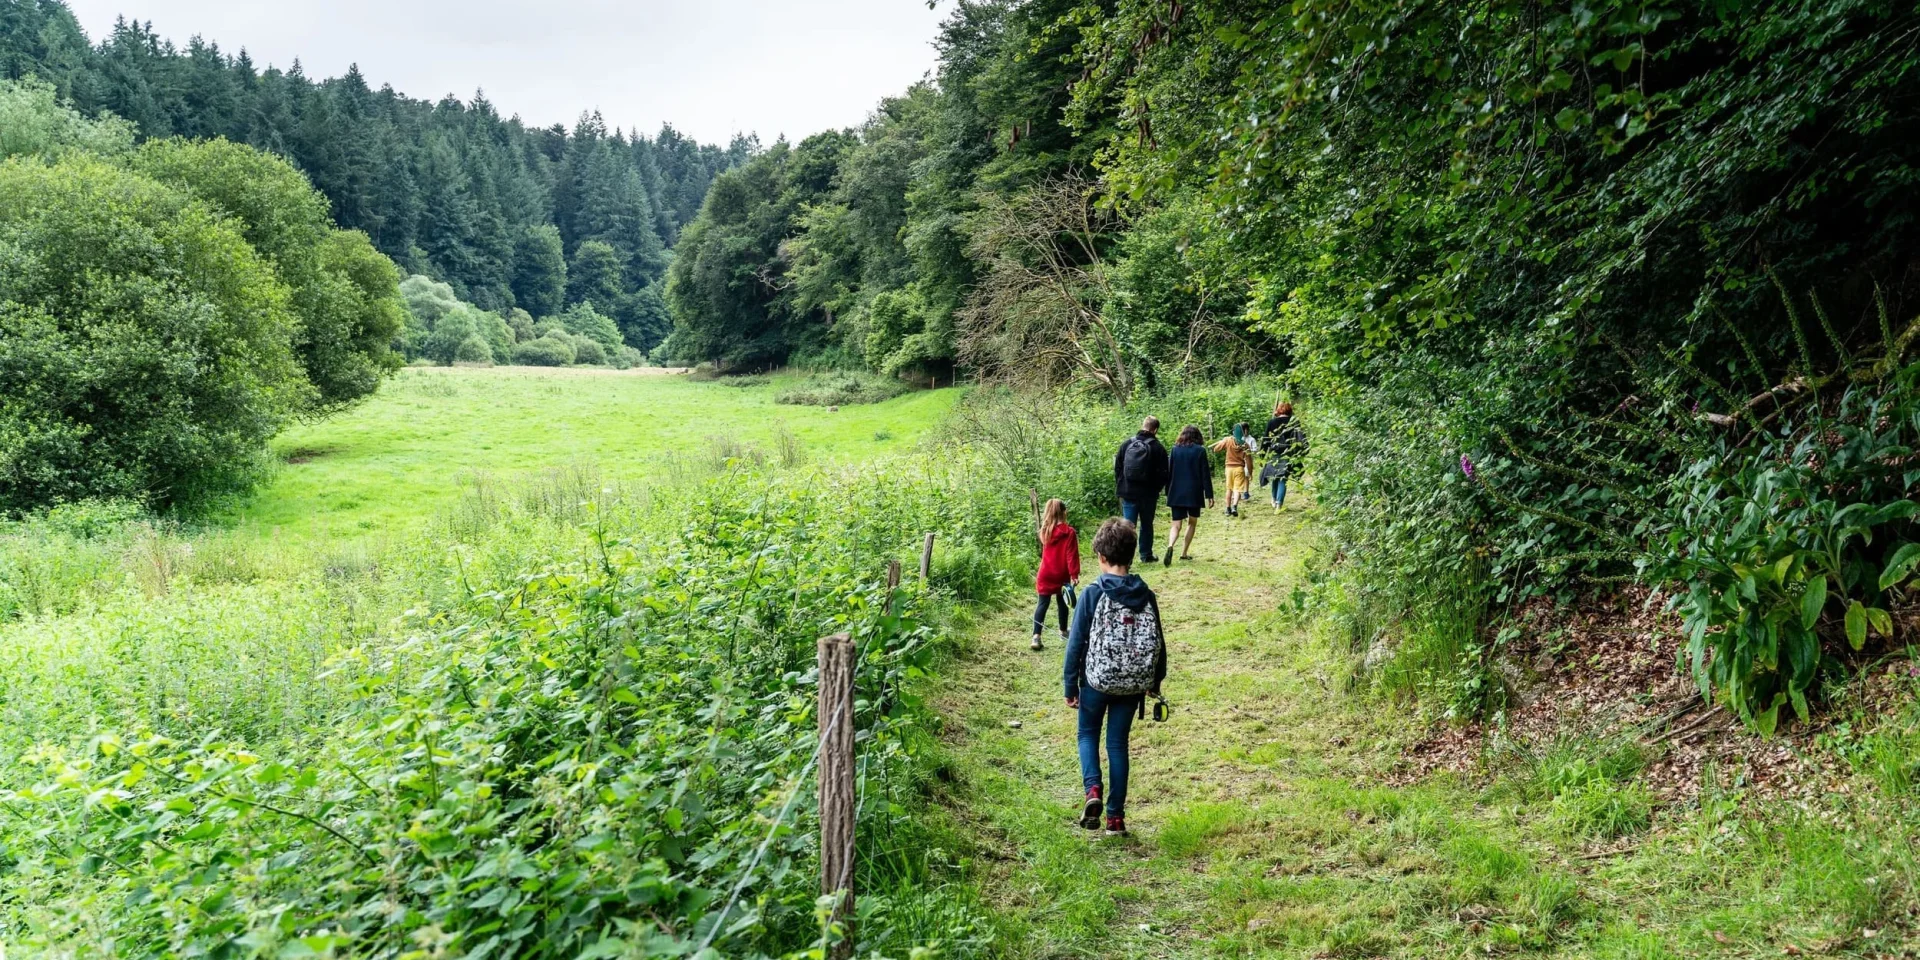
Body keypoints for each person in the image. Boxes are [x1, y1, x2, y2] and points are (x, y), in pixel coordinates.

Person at [1063, 518, 1167, 837]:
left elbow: (1076, 642)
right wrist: (1154, 682)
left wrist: (1070, 685)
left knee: (1087, 735)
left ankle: (1092, 790)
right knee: (1118, 744)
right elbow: (1158, 642)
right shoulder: (1145, 594)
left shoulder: (1093, 593)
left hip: (1095, 681)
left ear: (1102, 558)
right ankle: (1115, 819)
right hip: (1132, 684)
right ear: (1131, 554)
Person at [1113, 417, 1169, 563]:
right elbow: (1164, 473)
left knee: (1127, 527)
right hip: (1148, 495)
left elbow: (1118, 467)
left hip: (1128, 493)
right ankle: (1146, 555)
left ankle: (1126, 559)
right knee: (1146, 524)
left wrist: (1122, 485)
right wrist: (1156, 489)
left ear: (1143, 426)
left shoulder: (1127, 444)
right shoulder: (1158, 448)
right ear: (1155, 430)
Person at [1031, 498, 1081, 651]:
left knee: (1042, 604)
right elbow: (1071, 555)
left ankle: (1036, 637)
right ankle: (1063, 631)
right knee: (1063, 602)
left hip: (1045, 573)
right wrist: (1074, 574)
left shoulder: (1045, 531)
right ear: (1064, 512)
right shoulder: (1069, 532)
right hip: (1061, 574)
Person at [1160, 425, 1214, 566]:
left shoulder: (1175, 450)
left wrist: (1168, 491)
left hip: (1176, 492)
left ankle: (1170, 545)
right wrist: (1209, 495)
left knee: (1176, 524)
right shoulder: (1200, 451)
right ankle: (1184, 553)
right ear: (1197, 436)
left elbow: (1169, 472)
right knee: (1192, 522)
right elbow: (1205, 475)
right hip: (1194, 492)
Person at [1261, 402, 1306, 511]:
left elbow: (1265, 440)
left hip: (1274, 453)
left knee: (1275, 477)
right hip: (1288, 453)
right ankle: (1279, 504)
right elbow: (1300, 439)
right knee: (1283, 478)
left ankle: (1273, 499)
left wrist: (1262, 455)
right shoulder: (1294, 422)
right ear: (1290, 410)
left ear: (1279, 410)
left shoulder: (1272, 422)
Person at [1209, 424, 1255, 518]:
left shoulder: (1228, 440)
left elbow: (1216, 449)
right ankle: (1234, 507)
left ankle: (1227, 509)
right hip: (1239, 469)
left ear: (1233, 432)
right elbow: (1249, 461)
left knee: (1229, 489)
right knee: (1237, 489)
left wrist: (1223, 441)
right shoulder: (1245, 445)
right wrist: (1250, 472)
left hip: (1229, 468)